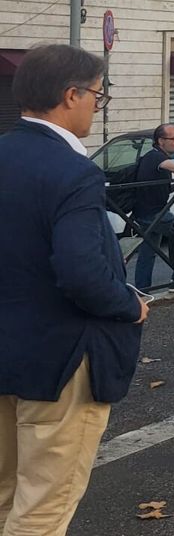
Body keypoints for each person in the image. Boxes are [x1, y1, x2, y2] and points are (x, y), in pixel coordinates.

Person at [0, 45, 147, 534]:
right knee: (43, 508)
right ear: (71, 95)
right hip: (61, 358)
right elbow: (82, 271)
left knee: (5, 495)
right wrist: (129, 305)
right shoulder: (74, 171)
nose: (95, 106)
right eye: (98, 97)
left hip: (7, 349)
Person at [129, 124, 174, 290]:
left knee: (148, 252)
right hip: (154, 214)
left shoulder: (152, 157)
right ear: (160, 141)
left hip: (146, 213)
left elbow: (156, 187)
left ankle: (143, 288)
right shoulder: (155, 157)